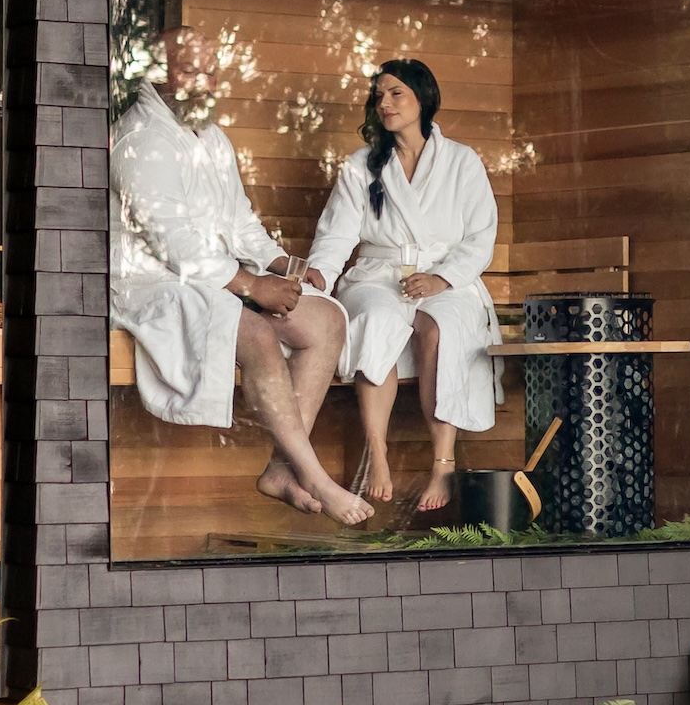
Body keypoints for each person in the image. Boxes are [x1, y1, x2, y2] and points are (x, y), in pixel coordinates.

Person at [108, 30, 372, 526]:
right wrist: (251, 287)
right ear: (158, 74)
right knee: (249, 329)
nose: (203, 84)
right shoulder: (141, 139)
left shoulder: (211, 136)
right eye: (190, 71)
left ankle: (279, 468)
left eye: (211, 72)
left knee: (325, 320)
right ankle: (313, 473)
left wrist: (285, 268)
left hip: (215, 276)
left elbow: (239, 222)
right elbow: (173, 243)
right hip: (152, 283)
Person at [300, 57, 498, 513]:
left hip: (447, 277)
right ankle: (378, 453)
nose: (384, 103)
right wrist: (317, 278)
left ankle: (443, 461)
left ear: (423, 99)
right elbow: (337, 235)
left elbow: (480, 236)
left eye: (396, 93)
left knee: (440, 327)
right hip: (377, 274)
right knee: (375, 318)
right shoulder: (362, 165)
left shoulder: (462, 163)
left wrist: (441, 278)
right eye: (379, 95)